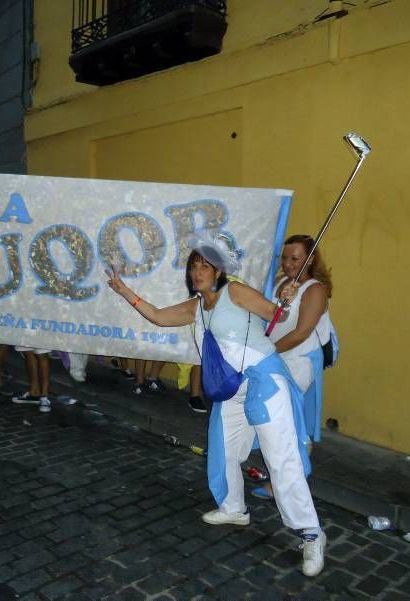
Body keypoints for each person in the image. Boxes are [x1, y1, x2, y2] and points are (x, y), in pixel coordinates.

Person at [106, 229, 326, 577]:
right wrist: (123, 292)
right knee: (222, 447)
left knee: (279, 457)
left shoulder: (234, 291)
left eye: (205, 266)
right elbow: (159, 316)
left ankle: (311, 533)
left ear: (219, 271)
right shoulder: (197, 307)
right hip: (232, 387)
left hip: (265, 379)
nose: (197, 272)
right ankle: (234, 507)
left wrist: (285, 297)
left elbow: (275, 314)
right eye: (194, 266)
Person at [253, 234, 334, 500]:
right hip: (274, 358)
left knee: (287, 421)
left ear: (310, 260)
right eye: (285, 258)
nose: (288, 264)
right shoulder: (280, 283)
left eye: (295, 258)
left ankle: (289, 478)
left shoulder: (315, 289)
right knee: (272, 420)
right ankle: (278, 472)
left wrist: (265, 353)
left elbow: (301, 332)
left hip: (297, 362)